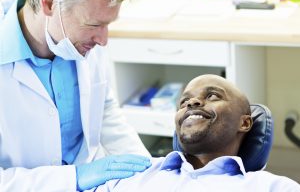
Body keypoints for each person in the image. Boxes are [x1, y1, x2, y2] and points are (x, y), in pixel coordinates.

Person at [0, 0, 152, 191]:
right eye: (94, 25)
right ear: (50, 3)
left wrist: (148, 172)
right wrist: (73, 178)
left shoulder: (78, 42)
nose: (103, 40)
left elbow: (104, 109)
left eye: (107, 24)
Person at [95, 74, 300, 192]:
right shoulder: (131, 176)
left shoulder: (274, 188)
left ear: (245, 123)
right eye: (184, 102)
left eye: (212, 96)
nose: (191, 103)